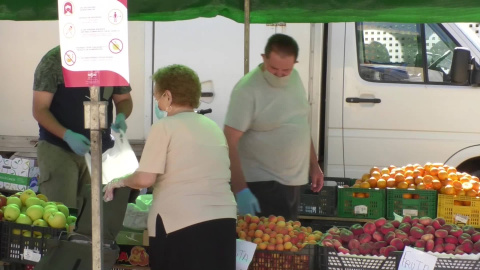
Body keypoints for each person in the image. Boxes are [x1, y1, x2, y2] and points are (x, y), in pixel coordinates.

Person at [103, 64, 237, 270]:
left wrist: (118, 182)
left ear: (168, 96)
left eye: (157, 96)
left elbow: (145, 179)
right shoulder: (213, 128)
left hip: (180, 225)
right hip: (223, 222)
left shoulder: (164, 127)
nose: (157, 101)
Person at [224, 33, 324, 221]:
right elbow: (229, 139)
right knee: (271, 246)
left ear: (295, 63)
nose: (279, 74)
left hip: (292, 182)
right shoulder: (247, 90)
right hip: (263, 184)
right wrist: (240, 188)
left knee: (286, 242)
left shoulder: (294, 78)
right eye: (273, 68)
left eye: (285, 69)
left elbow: (299, 123)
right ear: (263, 58)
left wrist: (314, 165)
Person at [32, 45, 133, 209]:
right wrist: (67, 135)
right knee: (60, 213)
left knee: (91, 217)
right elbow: (39, 109)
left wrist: (122, 115)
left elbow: (124, 100)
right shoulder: (55, 60)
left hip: (99, 150)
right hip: (59, 149)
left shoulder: (112, 57)